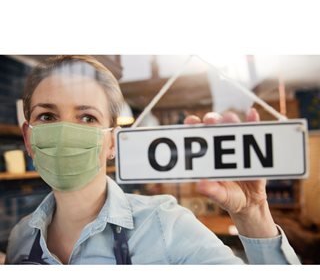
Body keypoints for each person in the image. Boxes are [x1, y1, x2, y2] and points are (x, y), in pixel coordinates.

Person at [5, 55, 300, 265]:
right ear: (29, 138)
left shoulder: (166, 225)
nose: (67, 131)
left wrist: (253, 213)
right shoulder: (20, 237)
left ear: (112, 141)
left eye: (87, 117)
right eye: (47, 116)